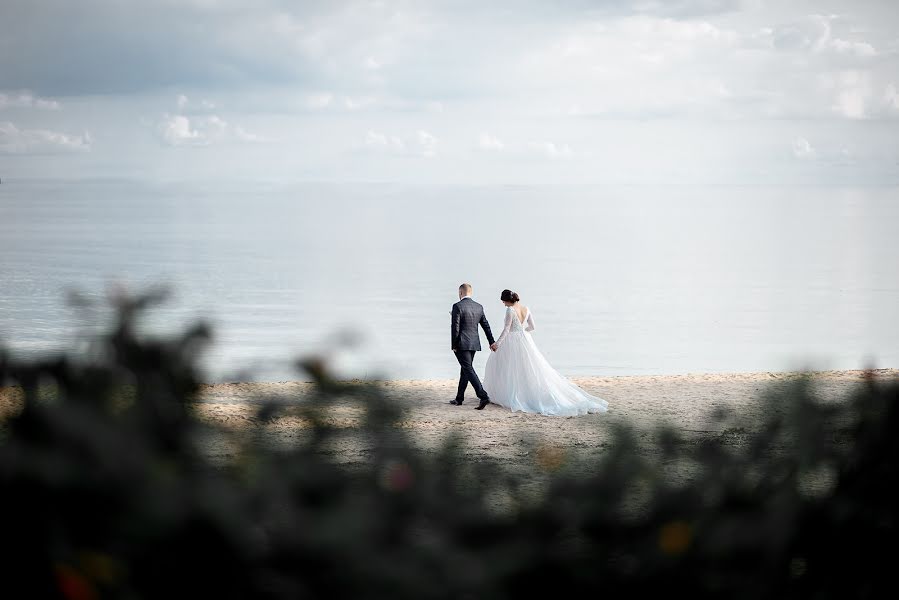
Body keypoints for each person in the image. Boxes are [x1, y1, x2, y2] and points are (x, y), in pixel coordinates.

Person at [484, 289, 609, 416]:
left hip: (512, 341)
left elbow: (506, 329)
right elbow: (532, 327)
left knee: (510, 368)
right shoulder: (526, 309)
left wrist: (497, 344)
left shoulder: (510, 310)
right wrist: (523, 332)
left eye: (504, 302)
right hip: (526, 340)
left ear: (507, 300)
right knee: (528, 368)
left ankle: (511, 394)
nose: (504, 304)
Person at [449, 283, 495, 409]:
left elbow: (455, 328)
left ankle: (483, 396)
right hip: (474, 343)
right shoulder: (478, 307)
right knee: (465, 370)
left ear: (460, 293)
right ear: (471, 292)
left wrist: (454, 344)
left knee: (468, 369)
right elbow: (486, 325)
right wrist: (491, 341)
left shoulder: (457, 306)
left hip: (462, 344)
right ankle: (459, 399)